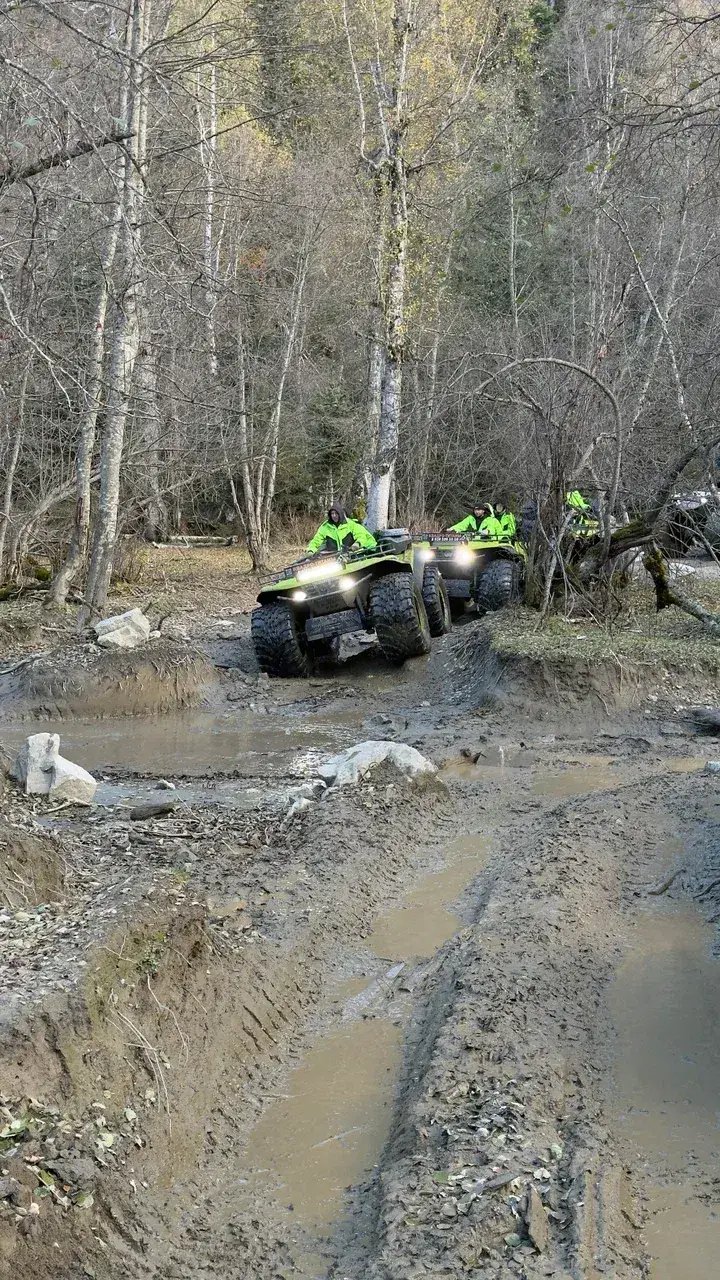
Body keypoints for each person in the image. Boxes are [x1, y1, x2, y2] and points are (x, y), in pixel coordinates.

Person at [306, 504, 378, 555]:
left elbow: (361, 536)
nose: (334, 516)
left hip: (354, 554)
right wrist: (310, 550)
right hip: (335, 557)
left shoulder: (352, 524)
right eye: (332, 513)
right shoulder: (325, 527)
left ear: (340, 514)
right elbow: (316, 540)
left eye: (336, 513)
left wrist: (357, 544)